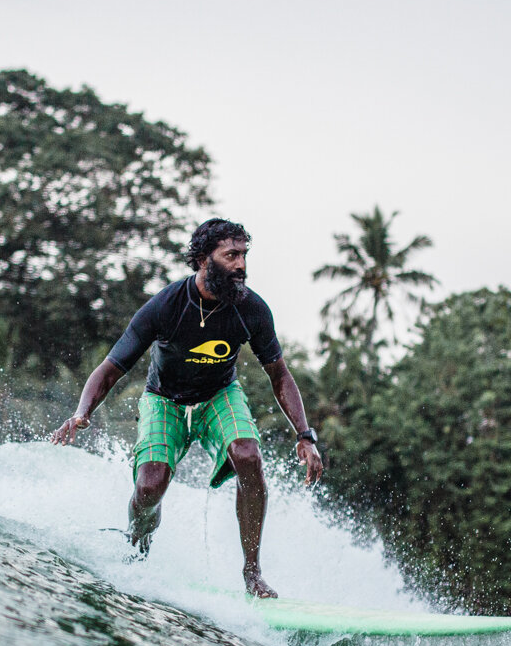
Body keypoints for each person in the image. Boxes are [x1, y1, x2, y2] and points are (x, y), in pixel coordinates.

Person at [49, 218, 324, 598]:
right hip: (164, 399)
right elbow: (112, 367)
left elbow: (280, 376)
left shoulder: (252, 309)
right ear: (202, 260)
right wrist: (82, 413)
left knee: (247, 454)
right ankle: (136, 548)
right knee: (149, 485)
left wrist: (305, 435)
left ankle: (252, 573)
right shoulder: (165, 306)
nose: (241, 265)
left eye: (244, 255)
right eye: (231, 256)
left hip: (219, 395)